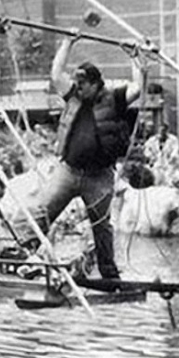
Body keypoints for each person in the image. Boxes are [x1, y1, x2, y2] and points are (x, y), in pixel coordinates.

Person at [41, 30, 143, 279]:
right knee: (43, 213)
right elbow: (56, 74)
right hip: (69, 171)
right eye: (77, 83)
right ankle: (25, 254)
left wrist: (134, 57)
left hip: (99, 176)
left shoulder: (114, 98)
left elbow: (138, 88)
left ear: (96, 83)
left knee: (101, 225)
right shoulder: (73, 97)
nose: (78, 87)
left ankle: (108, 271)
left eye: (83, 84)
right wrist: (68, 42)